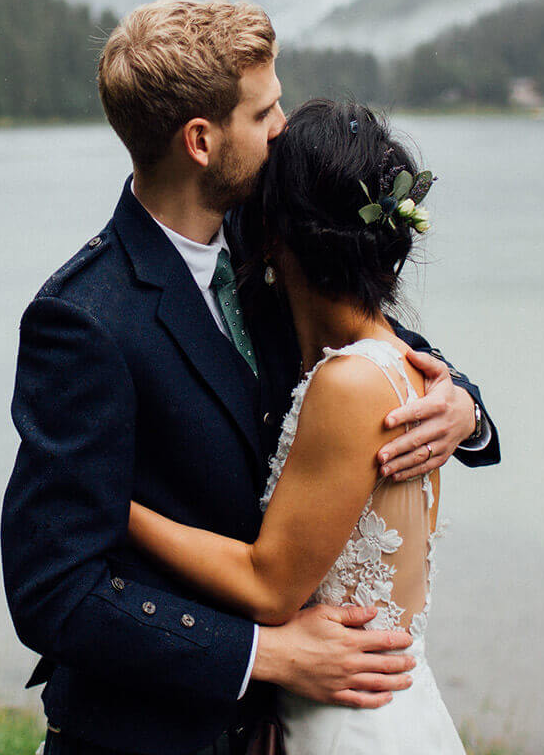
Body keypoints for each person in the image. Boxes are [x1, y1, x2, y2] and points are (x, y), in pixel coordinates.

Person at [2, 0, 498, 755]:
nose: (282, 129)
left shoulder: (277, 242)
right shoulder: (84, 320)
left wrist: (462, 402)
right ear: (201, 141)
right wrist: (262, 655)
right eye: (264, 112)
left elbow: (379, 347)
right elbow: (52, 591)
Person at [128, 98, 469, 753]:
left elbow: (270, 584)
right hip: (372, 706)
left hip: (348, 723)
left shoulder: (349, 383)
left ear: (277, 237)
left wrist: (118, 508)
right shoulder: (405, 367)